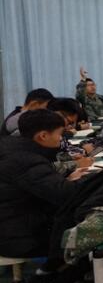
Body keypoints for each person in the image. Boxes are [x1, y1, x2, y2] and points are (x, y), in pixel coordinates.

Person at [0, 110, 88, 257]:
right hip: (20, 238)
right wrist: (96, 178)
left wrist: (63, 180)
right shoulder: (26, 159)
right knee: (89, 235)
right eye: (59, 134)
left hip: (15, 224)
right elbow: (65, 195)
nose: (61, 139)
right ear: (43, 136)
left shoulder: (13, 148)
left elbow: (41, 183)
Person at [47, 98, 94, 172]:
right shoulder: (44, 135)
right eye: (70, 122)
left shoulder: (56, 133)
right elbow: (45, 167)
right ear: (57, 114)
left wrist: (70, 157)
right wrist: (76, 164)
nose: (70, 127)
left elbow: (57, 154)